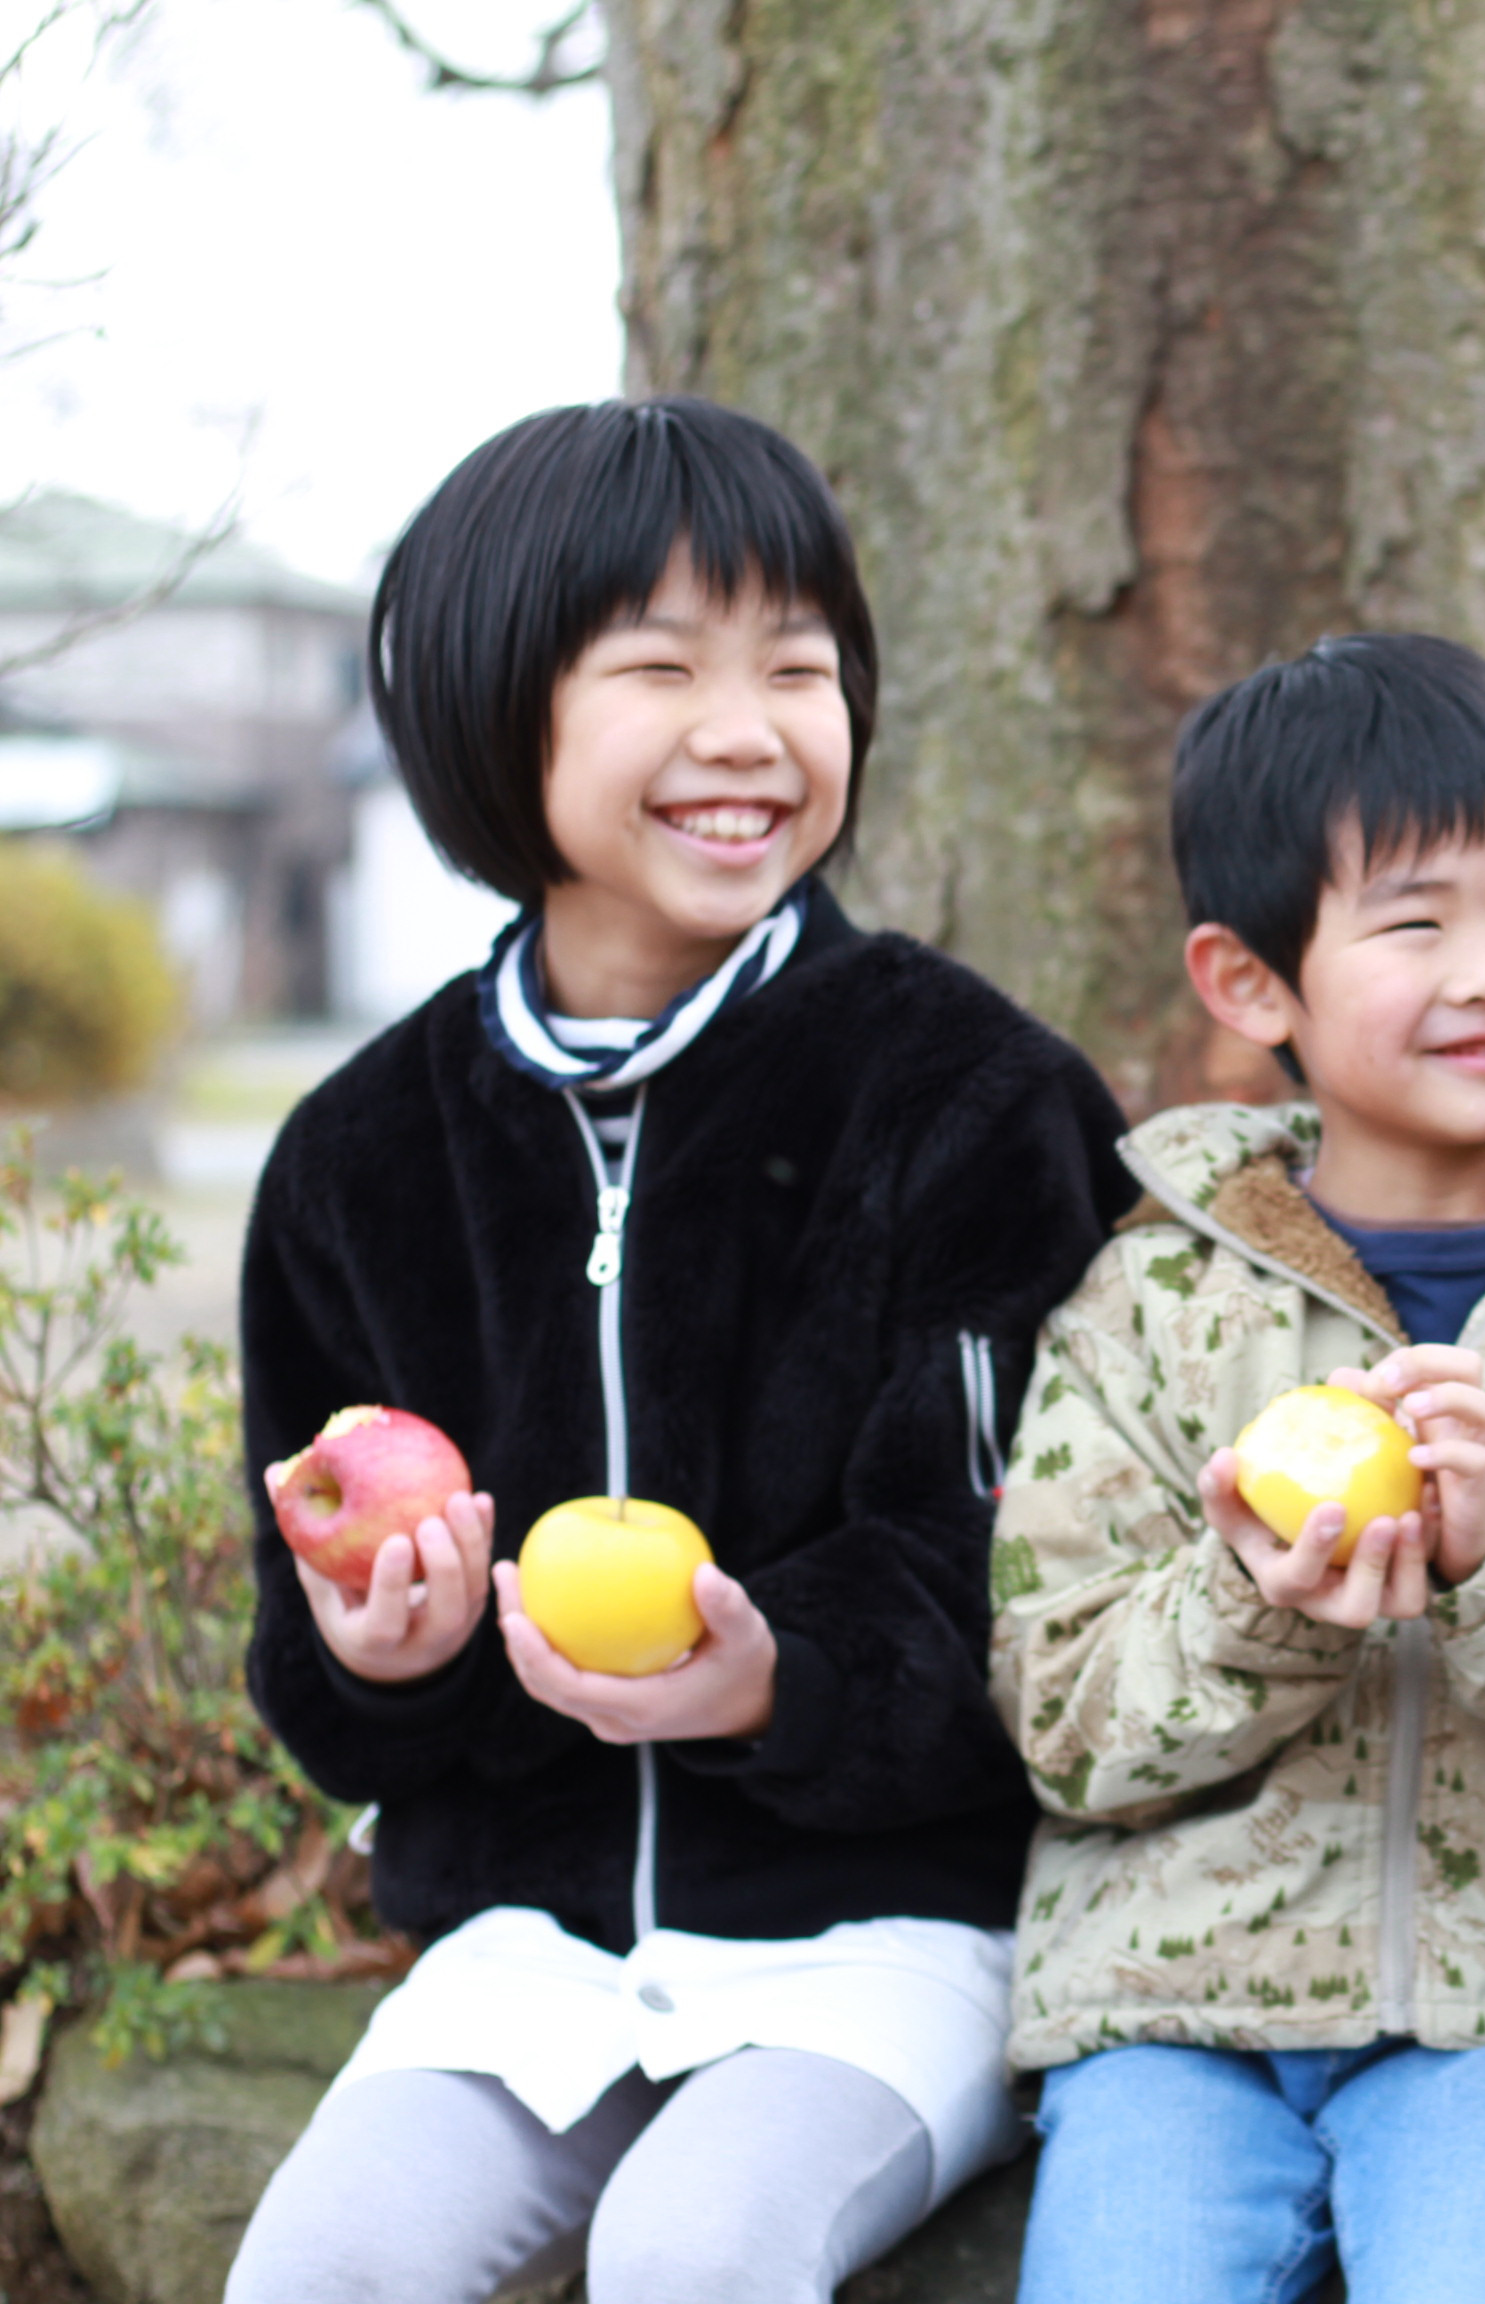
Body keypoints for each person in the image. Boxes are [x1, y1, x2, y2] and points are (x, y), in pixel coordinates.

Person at [225, 397, 1135, 2304]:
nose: (749, 730)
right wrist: (382, 1658)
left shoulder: (972, 1099)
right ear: (497, 714)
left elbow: (1015, 1578)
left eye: (797, 668)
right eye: (663, 669)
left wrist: (771, 1680)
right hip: (531, 1943)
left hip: (891, 1933)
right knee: (318, 2268)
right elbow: (312, 1666)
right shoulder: (359, 1160)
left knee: (695, 2252)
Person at [987, 633, 1485, 2304]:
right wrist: (1253, 1604)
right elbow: (1063, 1717)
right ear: (1252, 985)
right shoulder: (1149, 1302)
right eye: (1416, 923)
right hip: (1170, 2012)